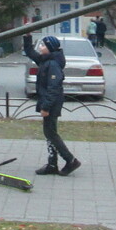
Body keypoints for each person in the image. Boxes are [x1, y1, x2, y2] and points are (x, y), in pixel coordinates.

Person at [22, 34, 81, 176]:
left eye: (43, 45)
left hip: (51, 104)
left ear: (50, 48)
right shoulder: (45, 60)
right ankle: (52, 163)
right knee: (49, 132)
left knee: (51, 133)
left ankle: (70, 160)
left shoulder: (53, 64)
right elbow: (30, 52)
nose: (40, 47)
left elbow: (53, 88)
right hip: (48, 102)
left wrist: (46, 107)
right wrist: (27, 36)